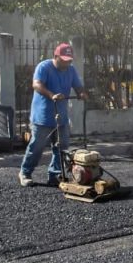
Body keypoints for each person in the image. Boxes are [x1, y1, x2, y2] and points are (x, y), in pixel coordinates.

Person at [19, 43, 88, 187]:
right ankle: (25, 173)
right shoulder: (44, 67)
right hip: (42, 117)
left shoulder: (71, 70)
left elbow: (77, 85)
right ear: (56, 56)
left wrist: (81, 92)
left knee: (61, 148)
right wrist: (52, 95)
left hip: (61, 117)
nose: (67, 62)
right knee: (36, 147)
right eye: (64, 60)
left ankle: (54, 175)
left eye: (69, 60)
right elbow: (36, 84)